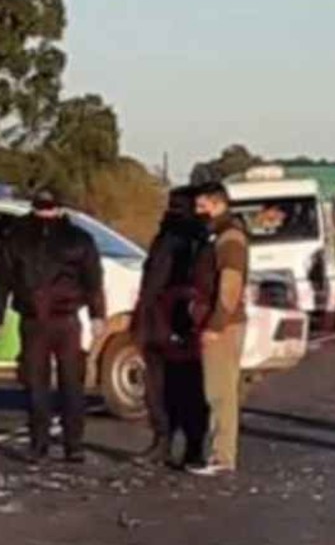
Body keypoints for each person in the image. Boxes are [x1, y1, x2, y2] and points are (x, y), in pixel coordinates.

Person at [0, 189, 105, 463]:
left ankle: (39, 445)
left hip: (35, 319)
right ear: (60, 208)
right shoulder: (78, 238)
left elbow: (1, 280)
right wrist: (97, 315)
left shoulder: (16, 238)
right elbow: (93, 280)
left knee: (37, 384)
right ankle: (73, 445)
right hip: (66, 319)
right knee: (70, 383)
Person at [131, 187, 209, 465]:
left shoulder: (177, 239)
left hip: (169, 320)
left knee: (169, 385)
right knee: (182, 386)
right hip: (179, 321)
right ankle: (186, 446)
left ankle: (173, 444)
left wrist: (142, 318)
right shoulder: (199, 237)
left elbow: (154, 282)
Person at [187, 183, 249, 477]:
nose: (197, 212)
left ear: (218, 204)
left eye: (202, 206)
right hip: (222, 321)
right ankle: (219, 454)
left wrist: (216, 324)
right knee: (220, 391)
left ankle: (222, 457)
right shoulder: (220, 235)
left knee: (220, 392)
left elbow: (230, 284)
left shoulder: (229, 239)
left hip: (224, 325)